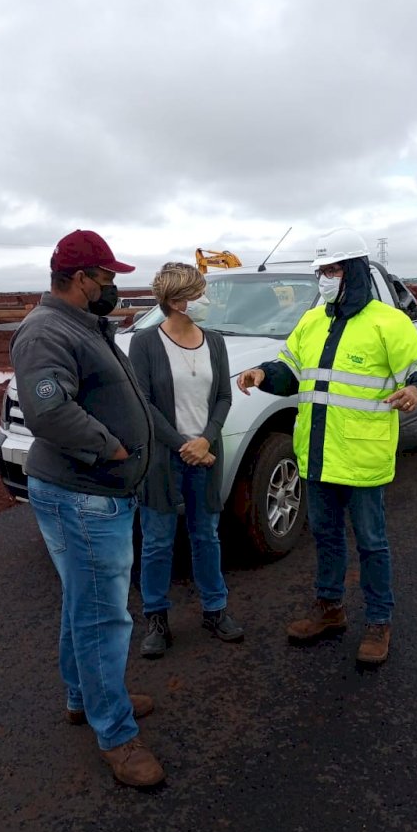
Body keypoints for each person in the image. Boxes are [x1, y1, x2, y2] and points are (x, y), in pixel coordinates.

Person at [237, 229, 417, 665]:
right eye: (320, 271)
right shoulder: (313, 321)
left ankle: (378, 622)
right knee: (327, 538)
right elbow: (291, 370)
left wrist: (416, 392)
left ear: (352, 271)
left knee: (371, 542)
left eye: (330, 270)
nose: (324, 278)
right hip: (316, 454)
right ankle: (330, 609)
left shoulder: (388, 322)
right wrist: (261, 373)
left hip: (362, 457)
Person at [10, 229, 164, 788]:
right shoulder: (46, 331)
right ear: (80, 280)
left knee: (85, 600)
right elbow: (48, 411)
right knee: (103, 615)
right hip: (85, 495)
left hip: (91, 493)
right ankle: (116, 735)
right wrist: (113, 448)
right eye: (106, 278)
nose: (113, 287)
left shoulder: (81, 325)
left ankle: (87, 697)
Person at [129, 263, 243, 658]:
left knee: (206, 535)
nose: (206, 301)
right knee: (158, 541)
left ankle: (215, 609)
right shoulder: (144, 344)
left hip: (206, 454)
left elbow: (224, 398)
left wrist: (205, 440)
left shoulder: (214, 341)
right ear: (177, 303)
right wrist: (183, 445)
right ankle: (156, 618)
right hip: (164, 458)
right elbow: (142, 404)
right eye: (199, 295)